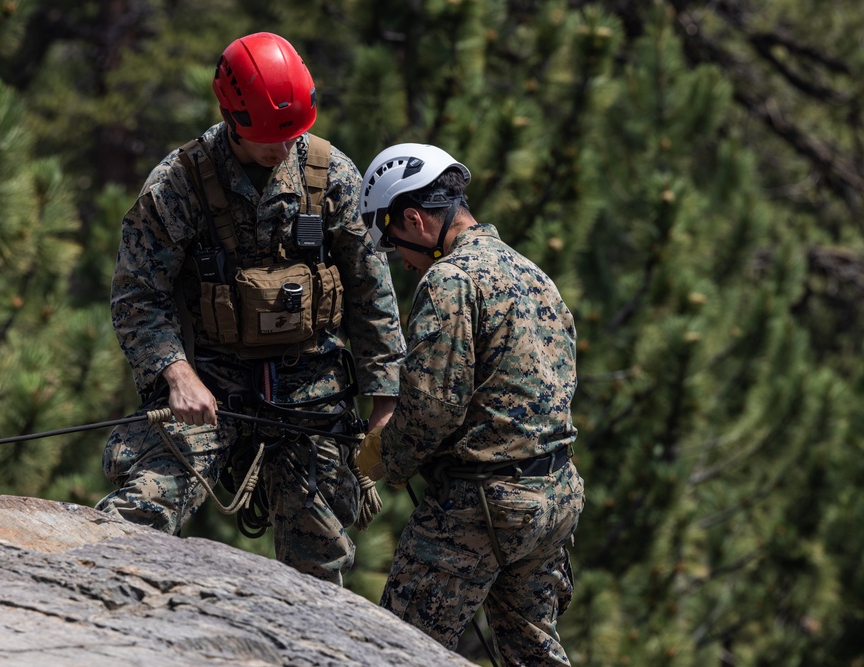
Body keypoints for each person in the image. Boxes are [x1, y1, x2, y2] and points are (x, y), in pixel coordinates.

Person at [96, 32, 406, 586]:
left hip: (310, 388)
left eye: (294, 135)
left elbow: (370, 290)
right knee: (144, 505)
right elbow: (138, 295)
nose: (283, 149)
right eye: (269, 138)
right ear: (229, 116)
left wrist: (384, 397)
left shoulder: (330, 174)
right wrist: (177, 375)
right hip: (211, 384)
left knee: (321, 552)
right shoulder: (180, 185)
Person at [355, 143, 584, 664]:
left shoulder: (450, 279)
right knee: (532, 651)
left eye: (394, 246)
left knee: (395, 648)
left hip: (481, 506)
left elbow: (433, 408)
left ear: (414, 219)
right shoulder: (532, 275)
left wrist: (381, 456)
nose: (404, 264)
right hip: (555, 498)